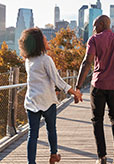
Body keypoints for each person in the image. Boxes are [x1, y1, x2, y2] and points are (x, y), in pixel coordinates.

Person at [19, 28, 82, 164]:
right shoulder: (46, 59)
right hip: (47, 101)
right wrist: (74, 92)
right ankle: (53, 155)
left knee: (32, 134)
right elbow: (57, 79)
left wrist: (55, 89)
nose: (47, 40)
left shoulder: (28, 61)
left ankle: (31, 162)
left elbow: (40, 80)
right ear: (38, 43)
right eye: (44, 38)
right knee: (51, 129)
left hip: (32, 101)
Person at [75, 15, 114, 164]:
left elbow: (87, 63)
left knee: (97, 120)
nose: (93, 29)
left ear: (102, 24)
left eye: (95, 26)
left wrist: (78, 87)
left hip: (98, 85)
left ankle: (101, 157)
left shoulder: (94, 40)